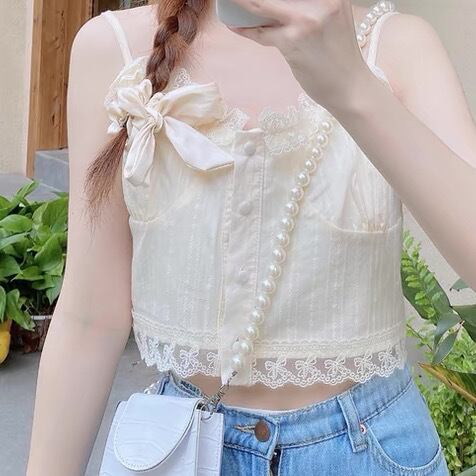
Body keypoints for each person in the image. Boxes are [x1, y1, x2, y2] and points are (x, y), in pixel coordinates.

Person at [26, 0, 475, 474]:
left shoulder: (397, 46)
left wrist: (352, 87)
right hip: (179, 448)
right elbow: (90, 318)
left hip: (368, 449)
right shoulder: (114, 47)